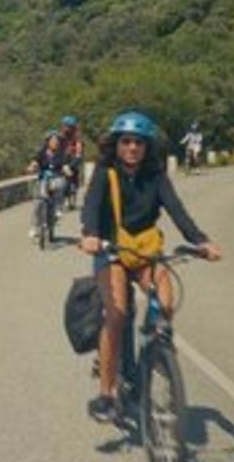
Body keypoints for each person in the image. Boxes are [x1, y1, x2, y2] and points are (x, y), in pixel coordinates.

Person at [79, 111, 222, 423]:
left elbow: (176, 209)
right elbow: (90, 207)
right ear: (116, 144)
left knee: (166, 302)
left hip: (145, 251)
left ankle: (154, 354)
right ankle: (106, 394)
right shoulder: (105, 173)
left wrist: (200, 240)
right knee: (116, 314)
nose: (132, 148)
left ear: (147, 147)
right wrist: (90, 235)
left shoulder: (156, 176)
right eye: (127, 141)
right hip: (112, 251)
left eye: (139, 143)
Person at [27, 130, 72, 240]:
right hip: (43, 179)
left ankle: (57, 208)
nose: (55, 143)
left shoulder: (62, 154)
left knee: (60, 185)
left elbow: (65, 165)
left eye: (57, 141)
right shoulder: (41, 153)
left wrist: (67, 171)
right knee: (38, 202)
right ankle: (35, 227)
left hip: (56, 179)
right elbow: (35, 162)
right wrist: (32, 167)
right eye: (53, 140)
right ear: (48, 142)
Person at [60, 115, 85, 206]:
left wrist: (77, 154)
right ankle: (65, 195)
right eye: (64, 125)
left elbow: (79, 151)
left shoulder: (77, 137)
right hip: (64, 159)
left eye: (67, 126)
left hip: (74, 159)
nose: (65, 128)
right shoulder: (61, 136)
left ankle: (73, 193)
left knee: (74, 175)